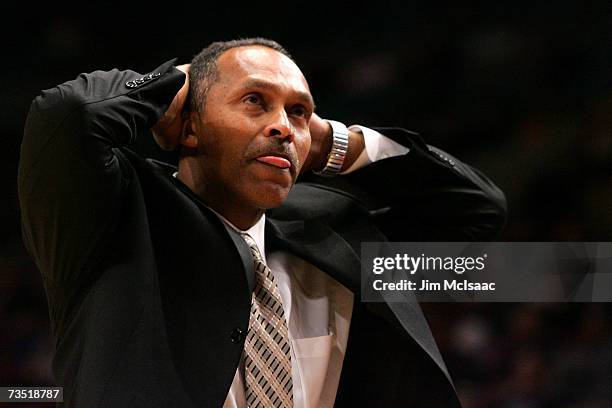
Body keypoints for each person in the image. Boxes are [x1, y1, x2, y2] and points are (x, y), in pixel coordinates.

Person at [18, 38, 506, 407]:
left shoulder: (335, 227)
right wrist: (180, 81)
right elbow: (68, 115)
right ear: (189, 124)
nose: (283, 127)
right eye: (255, 101)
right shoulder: (116, 216)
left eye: (298, 112)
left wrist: (336, 144)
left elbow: (477, 209)